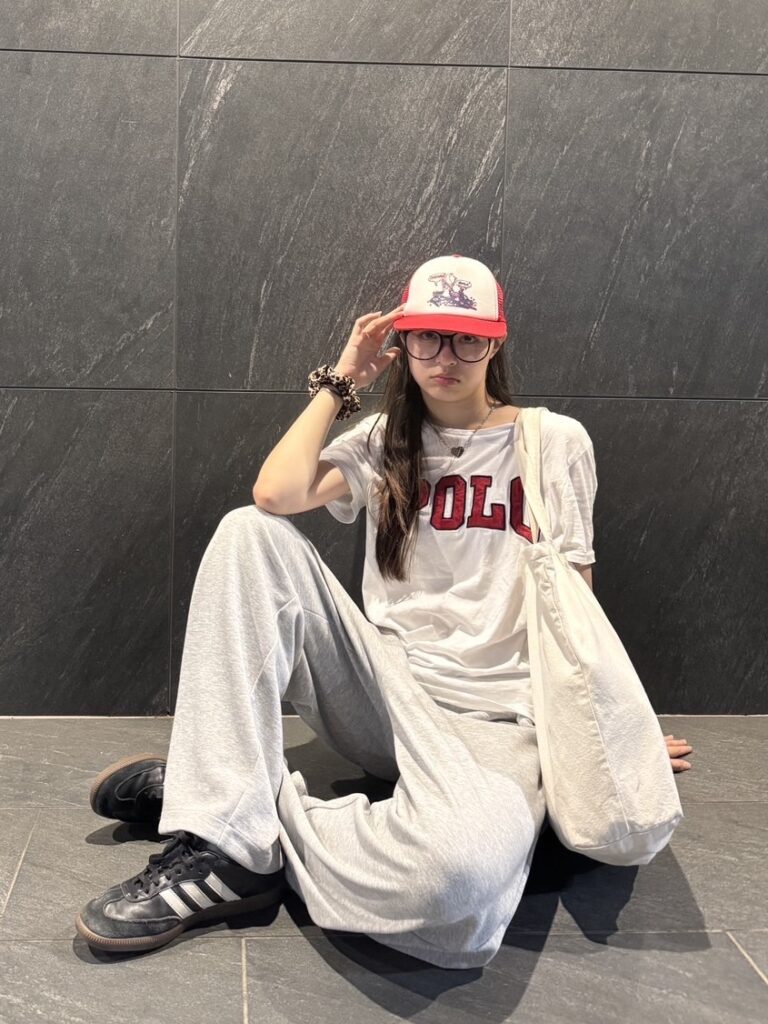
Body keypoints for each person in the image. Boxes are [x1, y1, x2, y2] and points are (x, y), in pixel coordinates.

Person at [75, 254, 693, 966]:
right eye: (428, 337)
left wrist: (611, 729)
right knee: (249, 533)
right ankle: (227, 842)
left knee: (457, 880)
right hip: (385, 695)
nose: (446, 357)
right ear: (405, 343)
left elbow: (576, 610)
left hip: (497, 722)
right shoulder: (380, 441)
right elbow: (274, 494)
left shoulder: (553, 442)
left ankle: (229, 805)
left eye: (467, 339)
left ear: (495, 343)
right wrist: (342, 381)